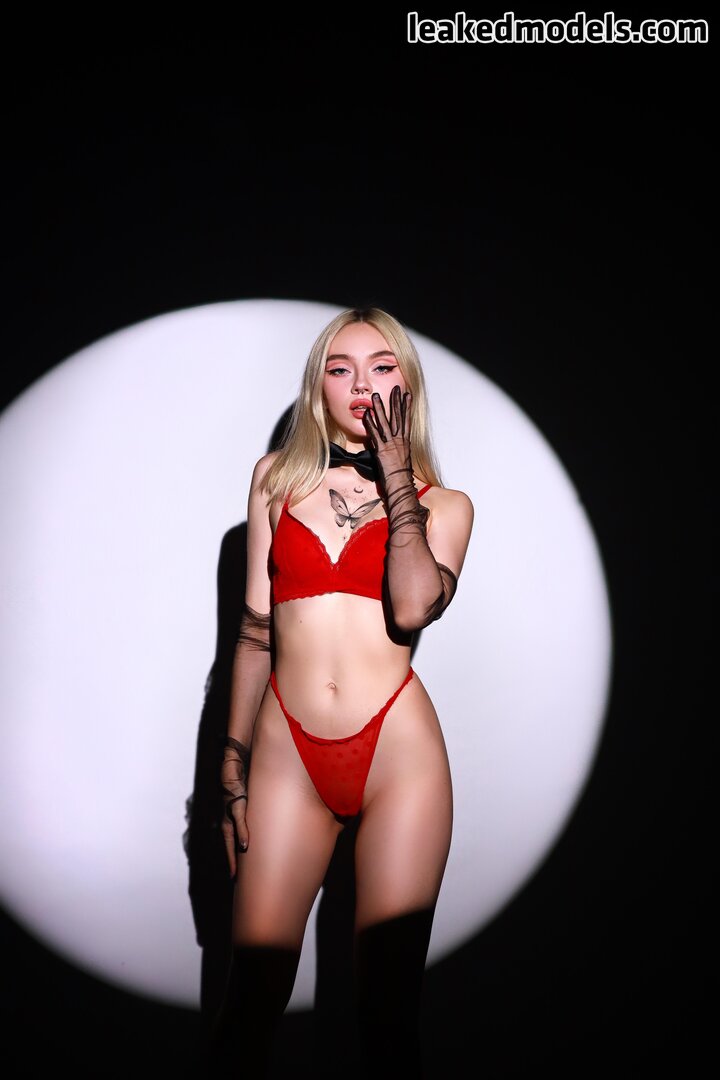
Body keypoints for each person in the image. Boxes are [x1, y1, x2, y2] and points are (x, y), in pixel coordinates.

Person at [208, 307, 474, 1078]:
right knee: (250, 1000)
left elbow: (413, 607)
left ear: (407, 384)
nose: (362, 385)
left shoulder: (446, 506)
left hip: (397, 754)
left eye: (382, 367)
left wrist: (396, 474)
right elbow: (254, 632)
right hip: (286, 751)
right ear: (317, 385)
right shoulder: (275, 481)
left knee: (386, 1014)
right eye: (340, 368)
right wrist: (232, 761)